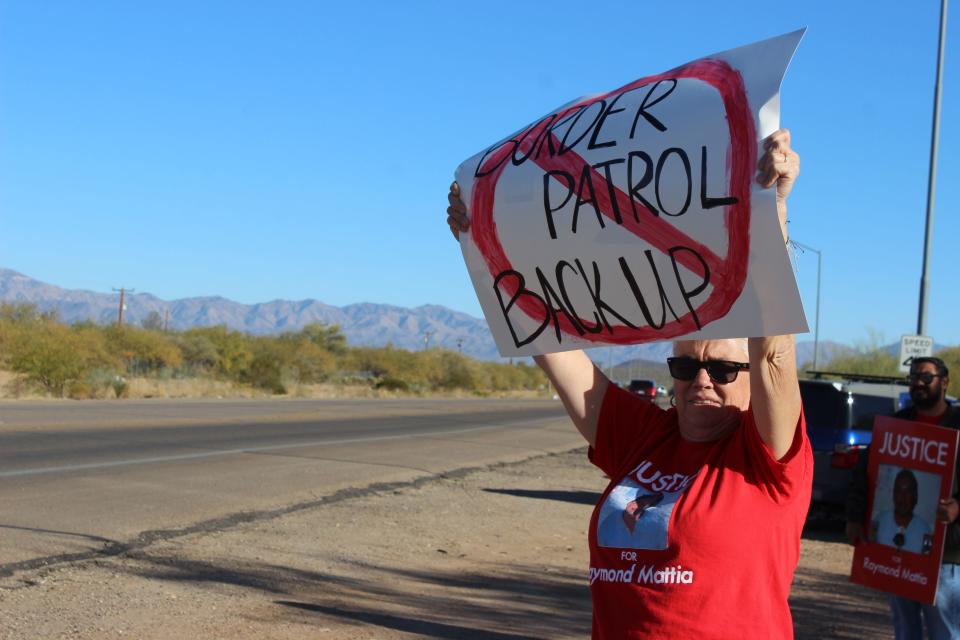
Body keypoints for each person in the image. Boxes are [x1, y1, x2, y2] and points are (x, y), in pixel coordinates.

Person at [447, 129, 812, 639]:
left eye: (725, 370)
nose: (701, 380)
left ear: (751, 381)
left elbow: (773, 355)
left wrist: (771, 213)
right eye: (685, 368)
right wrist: (484, 245)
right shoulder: (645, 437)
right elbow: (549, 346)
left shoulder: (766, 457)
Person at [846, 356, 960, 639]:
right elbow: (863, 473)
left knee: (945, 632)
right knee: (904, 630)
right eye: (912, 378)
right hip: (898, 557)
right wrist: (854, 517)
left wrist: (959, 506)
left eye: (925, 378)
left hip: (947, 558)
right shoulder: (895, 425)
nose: (917, 384)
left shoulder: (958, 425)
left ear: (944, 382)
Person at [870, 469, 933, 554]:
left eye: (908, 492)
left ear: (915, 496)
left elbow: (926, 562)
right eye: (899, 491)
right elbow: (869, 552)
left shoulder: (926, 531)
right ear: (893, 494)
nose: (903, 498)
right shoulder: (878, 520)